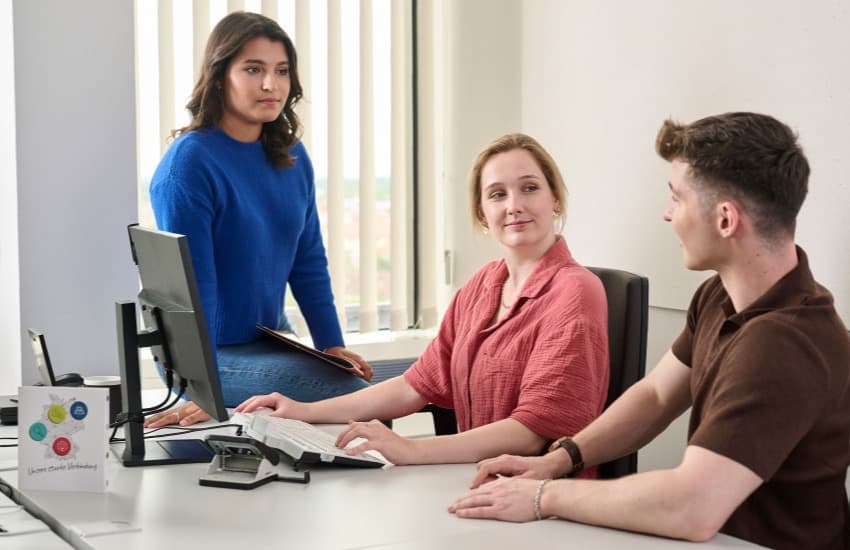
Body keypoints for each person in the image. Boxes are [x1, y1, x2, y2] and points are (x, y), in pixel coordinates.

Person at [449, 113, 850, 549]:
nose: (667, 215)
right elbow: (657, 396)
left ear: (725, 220)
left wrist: (542, 497)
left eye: (677, 199)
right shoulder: (719, 296)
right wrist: (561, 459)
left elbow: (692, 508)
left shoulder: (783, 342)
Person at [236, 133, 610, 467]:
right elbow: (415, 386)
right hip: (475, 477)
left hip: (542, 497)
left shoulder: (575, 292)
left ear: (555, 200)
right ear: (483, 213)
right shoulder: (483, 286)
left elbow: (533, 432)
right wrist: (302, 411)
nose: (514, 205)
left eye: (529, 188)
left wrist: (413, 450)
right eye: (497, 194)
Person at [144, 12, 371, 429]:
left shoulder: (292, 157)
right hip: (206, 353)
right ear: (218, 77)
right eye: (253, 69)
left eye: (281, 71)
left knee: (371, 399)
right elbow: (196, 291)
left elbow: (308, 262)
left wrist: (332, 345)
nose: (271, 85)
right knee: (357, 402)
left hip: (268, 338)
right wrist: (206, 388)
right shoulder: (189, 165)